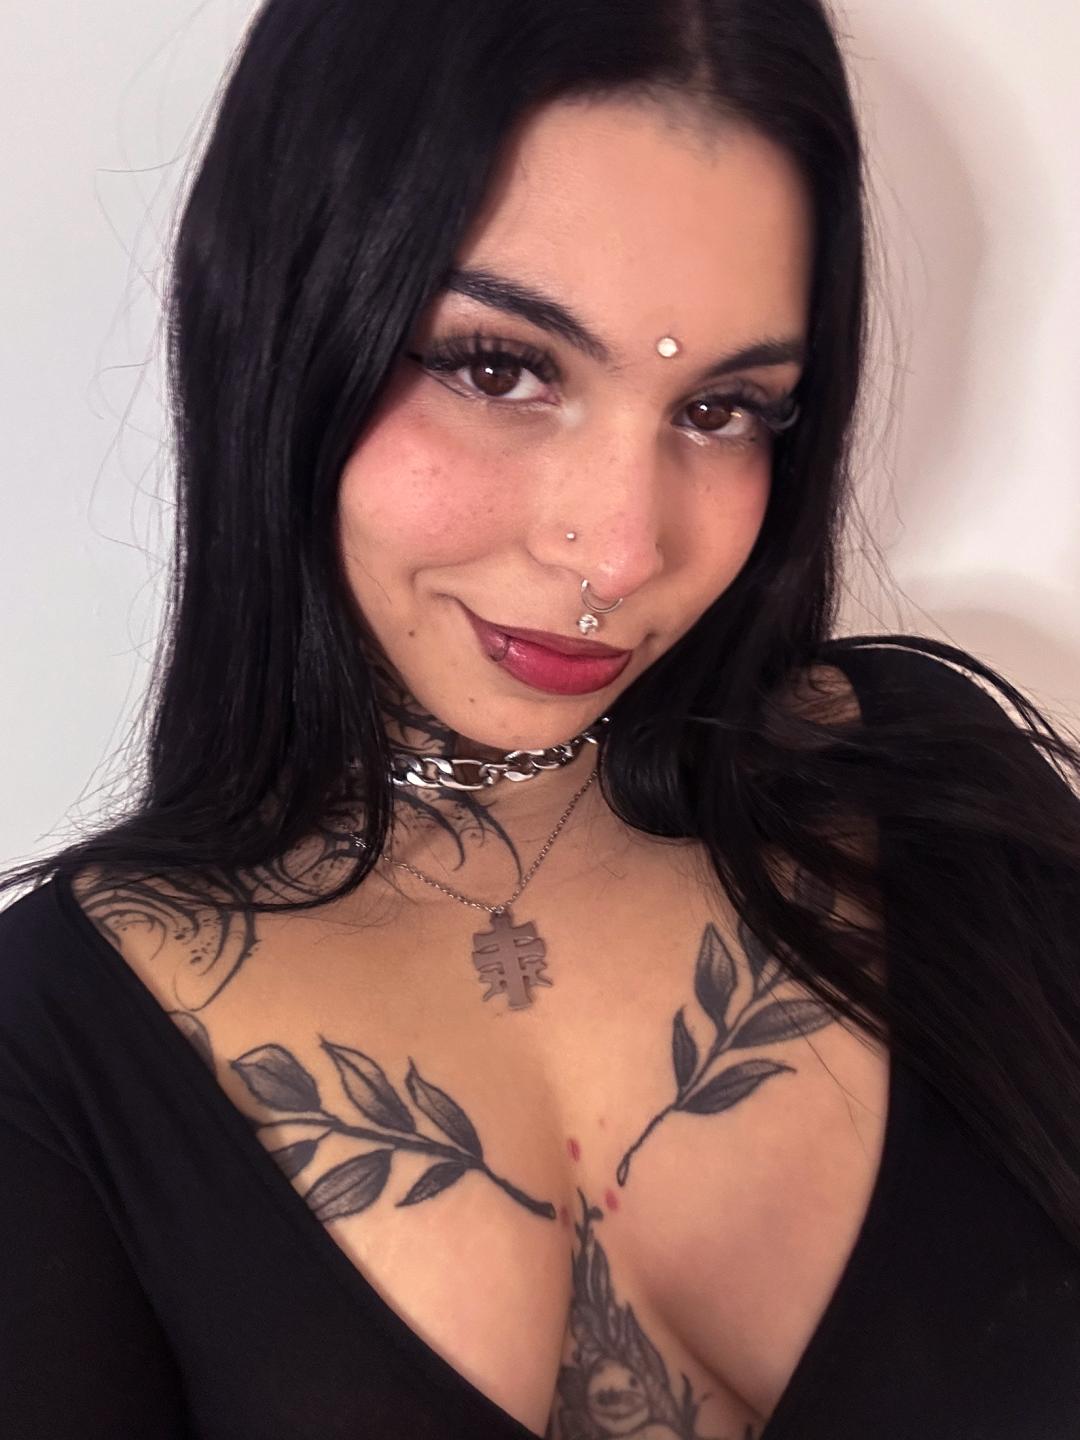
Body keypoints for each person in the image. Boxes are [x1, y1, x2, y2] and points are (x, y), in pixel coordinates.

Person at [2, 1, 1079, 1437]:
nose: (621, 554)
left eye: (724, 408)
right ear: (288, 328)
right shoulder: (51, 1062)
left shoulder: (930, 795)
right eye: (498, 366)